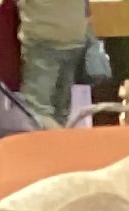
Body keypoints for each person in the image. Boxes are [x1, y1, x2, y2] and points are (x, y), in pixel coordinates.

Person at [16, 0, 89, 128]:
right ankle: (61, 142)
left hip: (43, 36)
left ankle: (54, 144)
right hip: (74, 34)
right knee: (61, 109)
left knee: (37, 109)